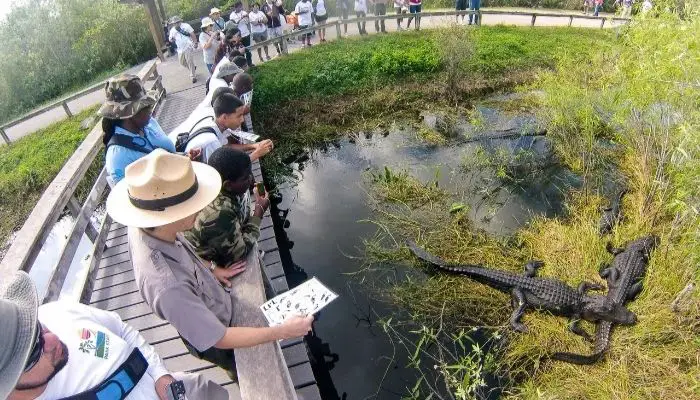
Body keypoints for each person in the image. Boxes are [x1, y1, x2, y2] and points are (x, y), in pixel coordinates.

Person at [107, 150, 314, 373]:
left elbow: (184, 248)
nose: (202, 207)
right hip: (220, 334)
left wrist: (210, 268)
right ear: (169, 215)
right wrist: (282, 331)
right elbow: (219, 338)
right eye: (193, 204)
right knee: (250, 370)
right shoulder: (168, 287)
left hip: (217, 300)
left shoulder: (148, 225)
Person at [0, 271, 229, 400]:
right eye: (34, 352)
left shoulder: (58, 312)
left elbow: (122, 329)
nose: (52, 340)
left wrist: (160, 375)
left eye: (38, 327)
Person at [186, 147, 269, 267]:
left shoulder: (215, 182)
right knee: (245, 259)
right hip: (207, 261)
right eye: (245, 178)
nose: (251, 179)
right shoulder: (220, 213)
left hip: (219, 232)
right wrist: (259, 212)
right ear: (228, 185)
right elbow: (241, 253)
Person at [100, 75, 177, 188]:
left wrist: (184, 156)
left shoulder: (148, 123)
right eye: (145, 106)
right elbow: (130, 197)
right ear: (128, 114)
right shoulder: (118, 156)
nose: (151, 109)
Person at [181, 85, 273, 163]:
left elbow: (226, 147)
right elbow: (228, 172)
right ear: (224, 117)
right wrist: (257, 153)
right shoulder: (212, 142)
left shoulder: (213, 121)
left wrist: (254, 146)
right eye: (239, 116)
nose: (242, 120)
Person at [168, 16, 198, 83]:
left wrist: (195, 42)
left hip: (188, 46)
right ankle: (192, 68)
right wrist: (172, 39)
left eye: (177, 22)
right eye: (174, 23)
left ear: (180, 21)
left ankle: (193, 76)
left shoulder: (186, 26)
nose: (176, 24)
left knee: (189, 61)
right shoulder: (172, 30)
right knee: (182, 62)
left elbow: (192, 34)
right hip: (180, 48)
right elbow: (170, 39)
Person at [229, 2, 255, 67]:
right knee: (240, 52)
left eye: (241, 6)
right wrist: (241, 18)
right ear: (236, 7)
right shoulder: (232, 15)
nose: (241, 8)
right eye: (239, 7)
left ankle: (250, 63)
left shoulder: (244, 12)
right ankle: (243, 65)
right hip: (238, 36)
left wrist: (247, 17)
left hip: (246, 34)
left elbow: (248, 22)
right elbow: (234, 25)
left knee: (248, 50)